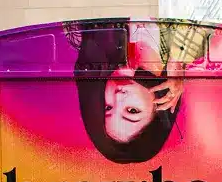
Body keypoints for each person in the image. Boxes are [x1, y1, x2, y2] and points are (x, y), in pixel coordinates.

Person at [65, 20, 210, 164]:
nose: (117, 96)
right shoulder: (193, 48)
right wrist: (177, 61)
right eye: (132, 110)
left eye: (108, 107)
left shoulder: (79, 36)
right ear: (161, 106)